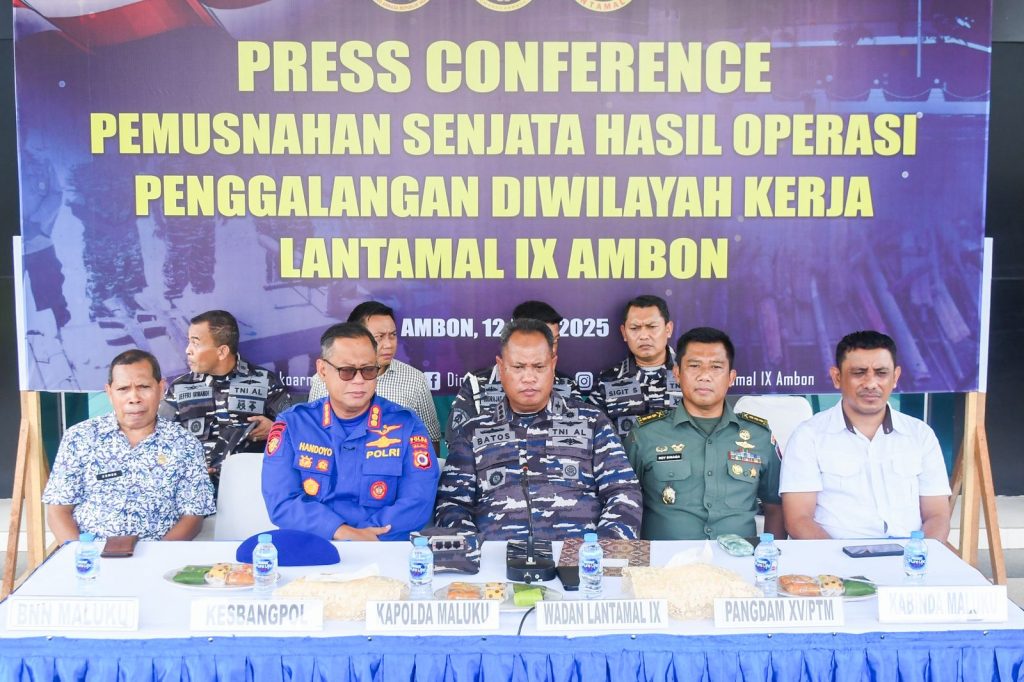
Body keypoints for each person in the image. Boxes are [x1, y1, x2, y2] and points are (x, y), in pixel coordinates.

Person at [434, 318, 642, 540]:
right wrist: (476, 551)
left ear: (553, 365)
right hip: (496, 558)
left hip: (579, 558)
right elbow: (451, 505)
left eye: (539, 367)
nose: (529, 378)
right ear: (501, 368)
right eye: (518, 367)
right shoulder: (473, 432)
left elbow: (624, 494)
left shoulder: (592, 423)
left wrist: (599, 550)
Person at [262, 322, 440, 541]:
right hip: (315, 545)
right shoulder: (293, 425)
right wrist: (341, 532)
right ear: (322, 370)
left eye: (368, 370)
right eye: (347, 371)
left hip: (382, 546)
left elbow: (418, 500)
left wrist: (368, 537)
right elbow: (282, 501)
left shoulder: (407, 425)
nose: (359, 381)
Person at [780, 331, 952, 540]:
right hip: (834, 555)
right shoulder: (808, 436)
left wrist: (919, 554)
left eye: (881, 373)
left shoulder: (920, 435)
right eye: (859, 373)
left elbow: (938, 515)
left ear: (895, 377)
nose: (871, 383)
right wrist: (838, 559)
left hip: (910, 554)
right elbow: (798, 519)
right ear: (837, 377)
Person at [625, 327, 784, 540]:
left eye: (716, 367)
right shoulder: (645, 435)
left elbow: (776, 507)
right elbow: (623, 504)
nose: (704, 376)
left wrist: (768, 553)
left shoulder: (759, 437)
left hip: (739, 559)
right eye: (694, 366)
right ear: (677, 373)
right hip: (665, 560)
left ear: (731, 377)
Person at [43, 350, 215, 542]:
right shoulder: (79, 438)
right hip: (92, 554)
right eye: (123, 389)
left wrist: (159, 555)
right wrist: (81, 554)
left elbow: (193, 516)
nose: (134, 398)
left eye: (144, 387)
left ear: (161, 389)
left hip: (158, 554)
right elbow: (58, 510)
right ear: (109, 393)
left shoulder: (185, 443)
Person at [160, 310, 292, 489]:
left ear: (222, 351)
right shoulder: (179, 388)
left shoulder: (265, 381)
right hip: (193, 489)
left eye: (195, 343)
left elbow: (296, 431)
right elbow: (158, 440)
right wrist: (184, 468)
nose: (187, 350)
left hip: (249, 487)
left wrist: (275, 429)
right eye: (188, 341)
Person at [307, 301, 442, 451]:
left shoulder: (415, 380)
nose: (389, 344)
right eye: (379, 337)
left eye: (393, 335)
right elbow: (312, 434)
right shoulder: (325, 379)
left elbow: (431, 440)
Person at [446, 300, 582, 446]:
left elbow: (582, 439)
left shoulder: (567, 385)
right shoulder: (476, 384)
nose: (552, 349)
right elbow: (456, 443)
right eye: (544, 341)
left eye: (555, 341)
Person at [590, 294, 682, 438]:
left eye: (652, 327)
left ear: (668, 329)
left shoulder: (690, 374)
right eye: (635, 328)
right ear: (624, 333)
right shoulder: (607, 381)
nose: (643, 336)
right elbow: (594, 434)